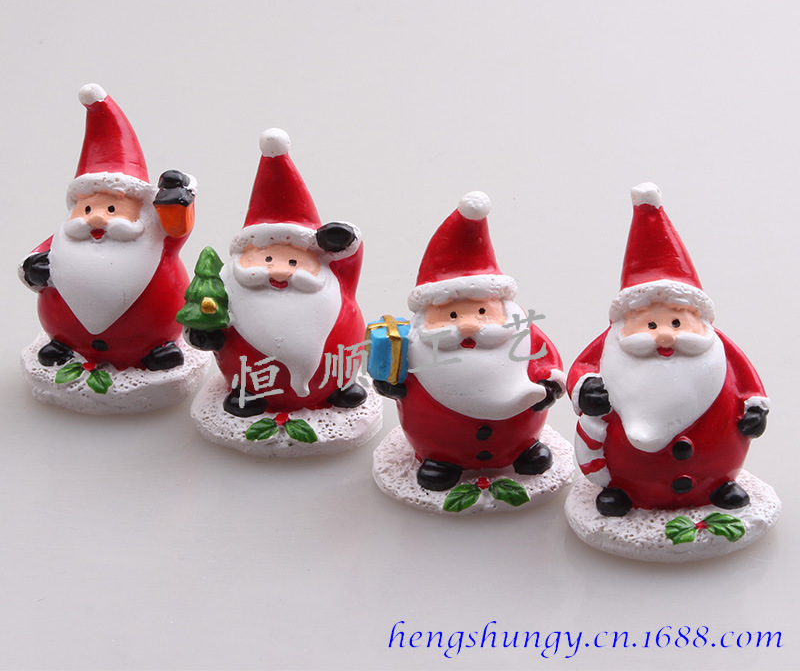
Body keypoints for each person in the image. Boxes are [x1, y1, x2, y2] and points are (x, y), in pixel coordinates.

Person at [568, 182, 769, 516]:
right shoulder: (612, 345)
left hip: (714, 463)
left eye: (676, 323)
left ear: (695, 316)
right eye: (650, 324)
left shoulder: (717, 347)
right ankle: (624, 489)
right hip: (631, 468)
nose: (664, 336)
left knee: (717, 475)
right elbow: (582, 370)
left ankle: (718, 485)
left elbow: (748, 384)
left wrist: (754, 411)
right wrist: (586, 389)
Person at [374, 191, 565, 491]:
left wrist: (549, 385)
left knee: (525, 446)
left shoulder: (522, 333)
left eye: (481, 312)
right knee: (440, 455)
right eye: (451, 315)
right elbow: (394, 375)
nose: (467, 325)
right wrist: (390, 384)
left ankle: (523, 449)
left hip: (518, 433)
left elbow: (548, 362)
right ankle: (442, 461)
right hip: (440, 441)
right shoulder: (414, 344)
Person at [186, 128, 367, 416]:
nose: (280, 272)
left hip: (334, 369)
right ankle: (248, 392)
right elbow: (210, 318)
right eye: (267, 259)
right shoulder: (230, 285)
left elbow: (351, 253)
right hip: (254, 376)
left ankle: (338, 388)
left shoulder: (333, 280)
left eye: (294, 261)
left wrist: (342, 238)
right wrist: (206, 334)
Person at [21, 83, 195, 371]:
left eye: (112, 209)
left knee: (154, 341)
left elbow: (178, 228)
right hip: (69, 332)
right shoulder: (66, 238)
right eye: (88, 209)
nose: (97, 218)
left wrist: (177, 200)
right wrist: (34, 268)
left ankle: (157, 348)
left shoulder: (153, 234)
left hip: (148, 332)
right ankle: (66, 345)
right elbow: (37, 259)